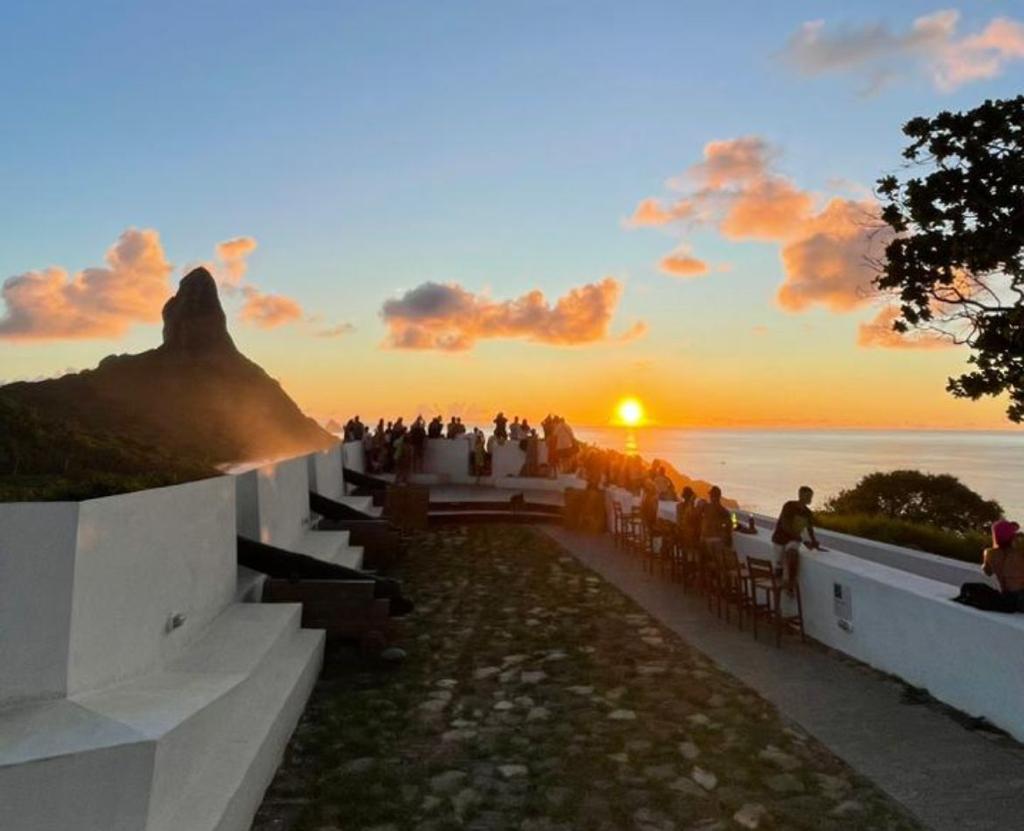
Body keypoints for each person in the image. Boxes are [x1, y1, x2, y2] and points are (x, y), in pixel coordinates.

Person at [772, 486, 820, 594]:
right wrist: (800, 538)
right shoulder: (789, 506)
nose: (810, 498)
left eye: (811, 496)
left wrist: (814, 541)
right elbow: (785, 524)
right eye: (808, 496)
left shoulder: (808, 513)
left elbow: (809, 528)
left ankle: (790, 583)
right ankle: (777, 597)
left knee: (792, 554)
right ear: (800, 495)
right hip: (780, 538)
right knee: (778, 569)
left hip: (793, 540)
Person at [700, 486, 732, 553]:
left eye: (711, 495)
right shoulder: (723, 511)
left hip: (705, 540)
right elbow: (729, 525)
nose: (710, 497)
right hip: (717, 541)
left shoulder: (706, 507)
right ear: (719, 497)